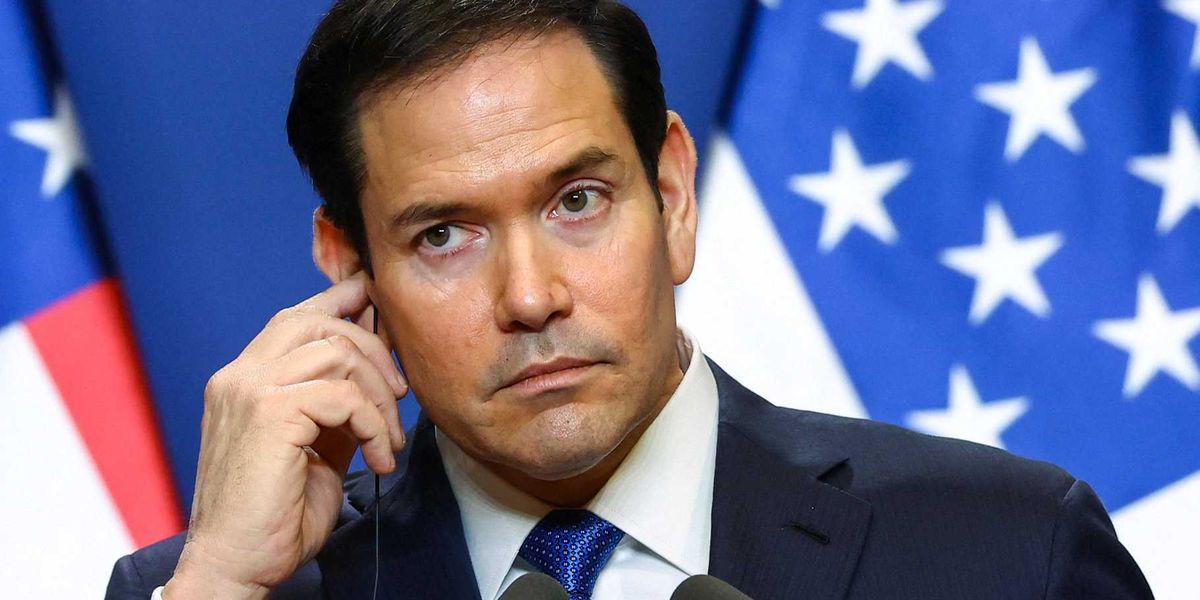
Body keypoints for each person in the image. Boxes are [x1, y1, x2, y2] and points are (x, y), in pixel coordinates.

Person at [105, 1, 1153, 598]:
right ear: (350, 269)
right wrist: (219, 585)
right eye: (443, 235)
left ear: (672, 196)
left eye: (577, 201)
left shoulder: (1006, 554)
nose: (530, 297)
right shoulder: (222, 588)